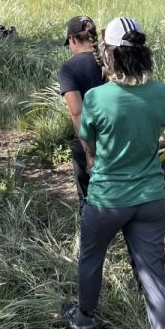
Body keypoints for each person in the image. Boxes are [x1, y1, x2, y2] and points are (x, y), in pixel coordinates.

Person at [63, 17, 165, 329]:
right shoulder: (161, 93)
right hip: (149, 197)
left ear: (110, 54)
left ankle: (84, 320)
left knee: (91, 259)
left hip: (107, 198)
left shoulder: (98, 97)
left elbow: (89, 143)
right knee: (153, 275)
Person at [59, 15, 104, 205]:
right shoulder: (108, 60)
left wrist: (88, 151)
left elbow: (77, 112)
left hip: (88, 141)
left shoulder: (69, 68)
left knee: (88, 199)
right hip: (114, 136)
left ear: (72, 39)